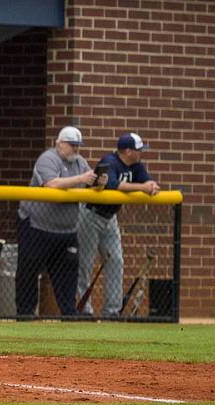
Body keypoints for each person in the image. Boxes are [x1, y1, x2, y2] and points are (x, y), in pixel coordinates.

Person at [16, 126, 105, 321]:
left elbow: (89, 182)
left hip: (66, 231)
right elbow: (51, 184)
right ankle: (25, 314)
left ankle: (69, 314)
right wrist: (81, 179)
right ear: (60, 143)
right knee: (29, 271)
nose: (76, 150)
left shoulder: (80, 162)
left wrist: (99, 182)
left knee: (68, 273)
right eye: (72, 145)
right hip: (36, 226)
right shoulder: (48, 159)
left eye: (78, 146)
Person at [78, 133, 162, 319]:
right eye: (139, 150)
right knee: (85, 264)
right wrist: (142, 188)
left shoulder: (137, 166)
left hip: (110, 218)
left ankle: (112, 311)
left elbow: (146, 181)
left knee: (116, 261)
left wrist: (151, 185)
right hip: (90, 215)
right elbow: (113, 185)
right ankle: (84, 311)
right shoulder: (110, 161)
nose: (141, 153)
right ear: (128, 151)